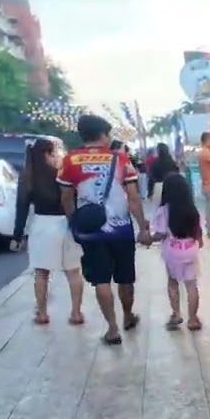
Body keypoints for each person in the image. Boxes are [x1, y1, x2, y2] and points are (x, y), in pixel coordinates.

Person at [60, 115, 151, 346]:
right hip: (121, 228)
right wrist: (142, 227)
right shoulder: (120, 159)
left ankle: (112, 329)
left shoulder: (70, 160)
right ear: (102, 134)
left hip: (91, 229)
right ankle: (128, 315)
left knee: (100, 278)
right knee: (125, 277)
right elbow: (133, 197)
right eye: (109, 134)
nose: (110, 138)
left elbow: (66, 197)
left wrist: (74, 223)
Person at [12, 138, 85, 326]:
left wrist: (17, 235)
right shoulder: (63, 173)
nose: (58, 155)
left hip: (42, 225)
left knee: (41, 273)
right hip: (67, 223)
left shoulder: (28, 176)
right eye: (55, 152)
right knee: (73, 271)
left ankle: (42, 314)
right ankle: (76, 313)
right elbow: (75, 198)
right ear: (48, 154)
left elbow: (21, 206)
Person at [150, 173, 204, 331]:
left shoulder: (164, 211)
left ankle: (176, 314)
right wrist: (198, 242)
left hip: (172, 252)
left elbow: (159, 234)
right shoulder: (192, 210)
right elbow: (198, 233)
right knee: (191, 285)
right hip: (190, 250)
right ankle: (193, 319)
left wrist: (149, 238)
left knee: (173, 283)